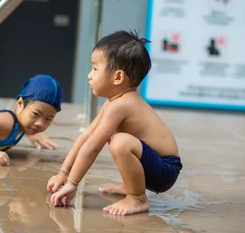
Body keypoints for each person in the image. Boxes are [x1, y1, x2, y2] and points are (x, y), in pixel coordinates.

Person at [47, 30, 182, 215]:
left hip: (165, 170)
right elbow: (86, 137)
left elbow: (93, 147)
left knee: (120, 142)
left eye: (95, 69)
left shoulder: (123, 104)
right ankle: (133, 185)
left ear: (118, 77)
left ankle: (137, 198)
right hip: (153, 165)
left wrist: (72, 183)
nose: (89, 75)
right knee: (116, 137)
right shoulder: (114, 102)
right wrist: (63, 173)